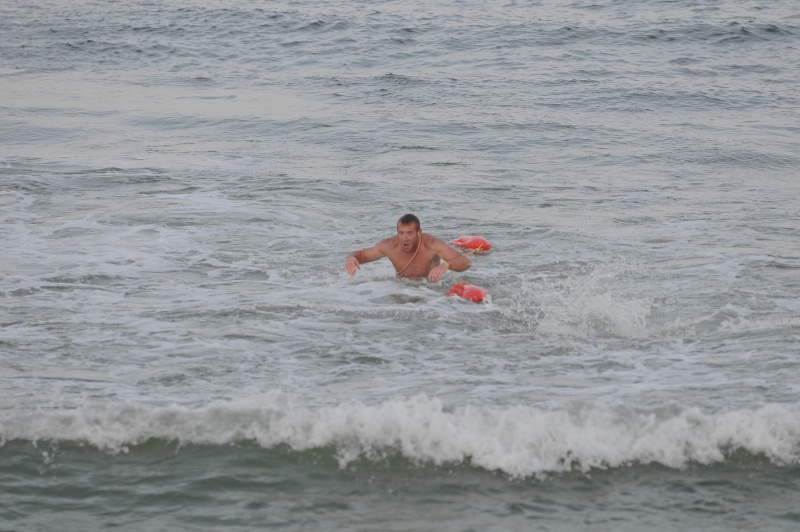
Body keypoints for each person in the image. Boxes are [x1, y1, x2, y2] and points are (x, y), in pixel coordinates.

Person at [344, 214, 471, 283]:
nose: (405, 238)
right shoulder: (390, 245)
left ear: (419, 233)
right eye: (401, 233)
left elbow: (465, 262)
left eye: (409, 233)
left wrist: (446, 265)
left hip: (429, 291)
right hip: (402, 288)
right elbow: (362, 255)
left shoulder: (431, 245)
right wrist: (351, 258)